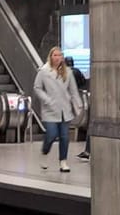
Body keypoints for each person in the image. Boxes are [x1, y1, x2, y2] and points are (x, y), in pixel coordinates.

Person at [31, 46, 82, 175]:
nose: (58, 58)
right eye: (55, 55)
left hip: (65, 109)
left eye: (60, 55)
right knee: (52, 134)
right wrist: (46, 99)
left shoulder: (67, 72)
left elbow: (73, 90)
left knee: (65, 137)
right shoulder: (43, 71)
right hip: (50, 110)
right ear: (50, 56)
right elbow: (37, 88)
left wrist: (78, 104)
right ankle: (45, 151)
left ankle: (63, 161)